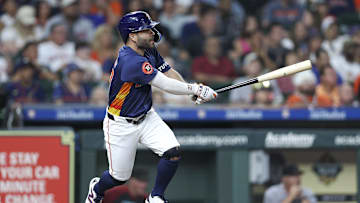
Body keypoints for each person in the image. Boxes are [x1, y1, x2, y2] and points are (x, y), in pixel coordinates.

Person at [85, 11, 217, 203]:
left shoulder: (148, 50)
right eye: (146, 30)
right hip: (120, 124)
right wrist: (196, 88)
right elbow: (163, 84)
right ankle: (96, 189)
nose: (152, 33)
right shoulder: (130, 60)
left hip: (146, 116)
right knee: (119, 177)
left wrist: (191, 93)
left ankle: (155, 196)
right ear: (132, 35)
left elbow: (169, 72)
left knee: (172, 152)